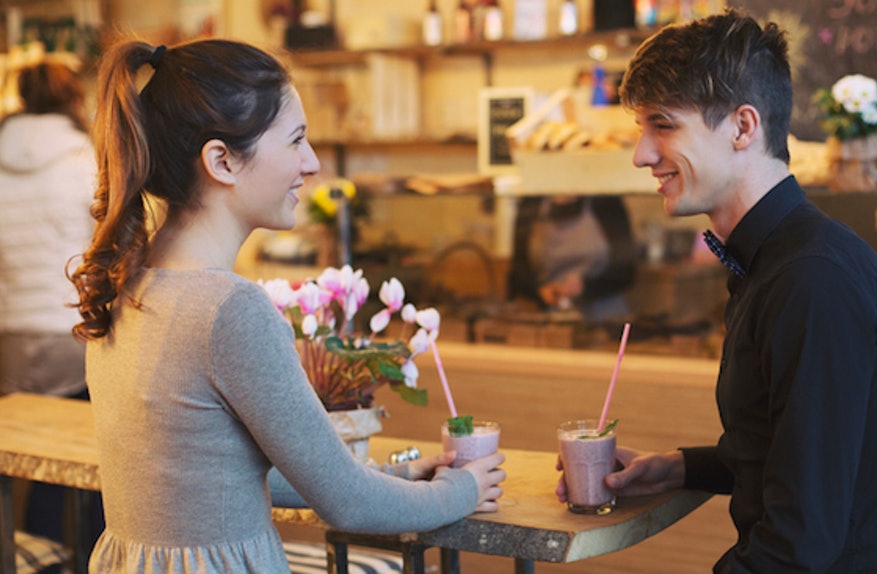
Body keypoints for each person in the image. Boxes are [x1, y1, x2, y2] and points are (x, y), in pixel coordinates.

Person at [69, 38, 505, 573]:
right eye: (296, 140)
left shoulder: (130, 282)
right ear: (222, 160)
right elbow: (349, 504)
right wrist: (463, 488)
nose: (312, 162)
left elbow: (216, 475)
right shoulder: (228, 310)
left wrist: (399, 475)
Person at [558, 10, 877, 572]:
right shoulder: (779, 261)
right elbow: (793, 455)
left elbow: (800, 544)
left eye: (664, 125)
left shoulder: (812, 279)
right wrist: (682, 467)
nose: (642, 155)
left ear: (743, 127)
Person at [0, 58, 104, 559]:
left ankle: (38, 558)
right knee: (93, 462)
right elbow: (108, 243)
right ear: (72, 97)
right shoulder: (82, 157)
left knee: (35, 463)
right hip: (72, 329)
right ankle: (94, 563)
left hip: (12, 335)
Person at [507, 194, 637, 323]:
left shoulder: (606, 200)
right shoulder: (532, 201)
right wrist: (539, 291)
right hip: (549, 320)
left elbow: (626, 272)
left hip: (605, 320)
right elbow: (518, 272)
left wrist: (585, 287)